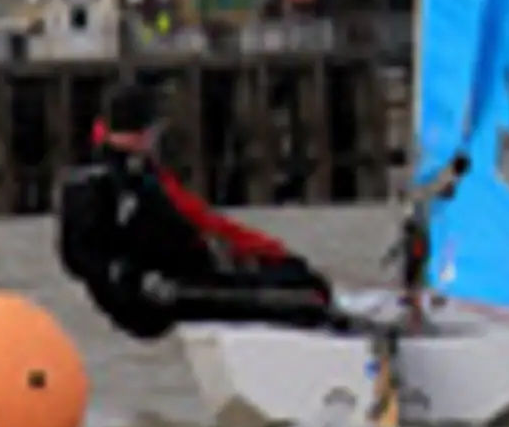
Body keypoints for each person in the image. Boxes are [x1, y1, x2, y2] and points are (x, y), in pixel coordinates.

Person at [57, 83, 340, 341]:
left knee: (294, 277)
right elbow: (81, 255)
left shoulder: (136, 173)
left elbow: (198, 221)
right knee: (304, 296)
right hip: (162, 292)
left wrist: (270, 254)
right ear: (145, 132)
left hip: (190, 274)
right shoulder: (104, 184)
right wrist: (130, 277)